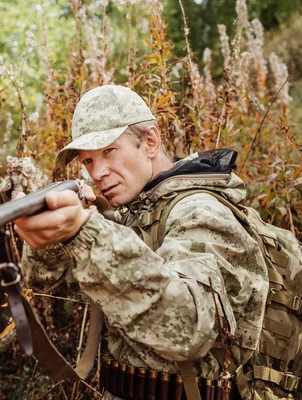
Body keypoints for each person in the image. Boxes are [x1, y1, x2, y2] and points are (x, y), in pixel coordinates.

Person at [13, 85, 270, 399]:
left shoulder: (200, 212)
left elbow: (189, 330)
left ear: (150, 141)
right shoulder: (136, 214)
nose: (98, 173)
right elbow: (46, 280)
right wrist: (54, 232)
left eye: (109, 151)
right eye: (88, 161)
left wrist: (86, 232)